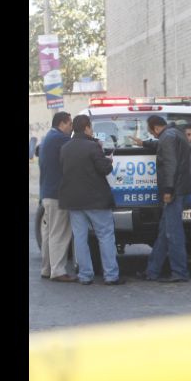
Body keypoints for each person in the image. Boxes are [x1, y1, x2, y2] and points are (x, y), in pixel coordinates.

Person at [58, 115, 123, 285]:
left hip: (74, 201)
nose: (92, 130)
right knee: (105, 236)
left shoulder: (65, 148)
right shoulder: (93, 147)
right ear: (86, 128)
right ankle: (111, 275)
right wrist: (108, 161)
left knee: (80, 238)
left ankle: (85, 275)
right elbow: (104, 169)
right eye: (91, 127)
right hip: (96, 201)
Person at [138, 115, 191, 282]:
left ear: (155, 128)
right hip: (181, 188)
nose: (153, 136)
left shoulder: (167, 137)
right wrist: (145, 143)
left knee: (173, 232)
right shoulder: (173, 133)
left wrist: (168, 189)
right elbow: (161, 146)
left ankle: (180, 272)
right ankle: (152, 271)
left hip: (174, 191)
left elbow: (170, 163)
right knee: (164, 231)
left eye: (151, 132)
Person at [38, 111, 77, 282]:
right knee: (59, 234)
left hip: (47, 193)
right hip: (57, 195)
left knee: (48, 233)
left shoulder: (48, 137)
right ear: (62, 124)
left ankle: (47, 268)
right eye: (70, 125)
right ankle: (58, 271)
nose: (71, 129)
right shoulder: (60, 139)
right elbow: (78, 146)